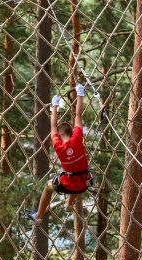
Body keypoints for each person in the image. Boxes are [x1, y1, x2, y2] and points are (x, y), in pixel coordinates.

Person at [27, 83, 93, 223]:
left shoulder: (57, 145)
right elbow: (78, 115)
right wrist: (80, 95)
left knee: (48, 186)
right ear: (71, 132)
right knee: (77, 175)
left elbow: (53, 126)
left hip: (69, 184)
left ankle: (38, 216)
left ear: (60, 133)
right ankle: (69, 204)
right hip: (84, 183)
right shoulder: (77, 139)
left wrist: (54, 106)